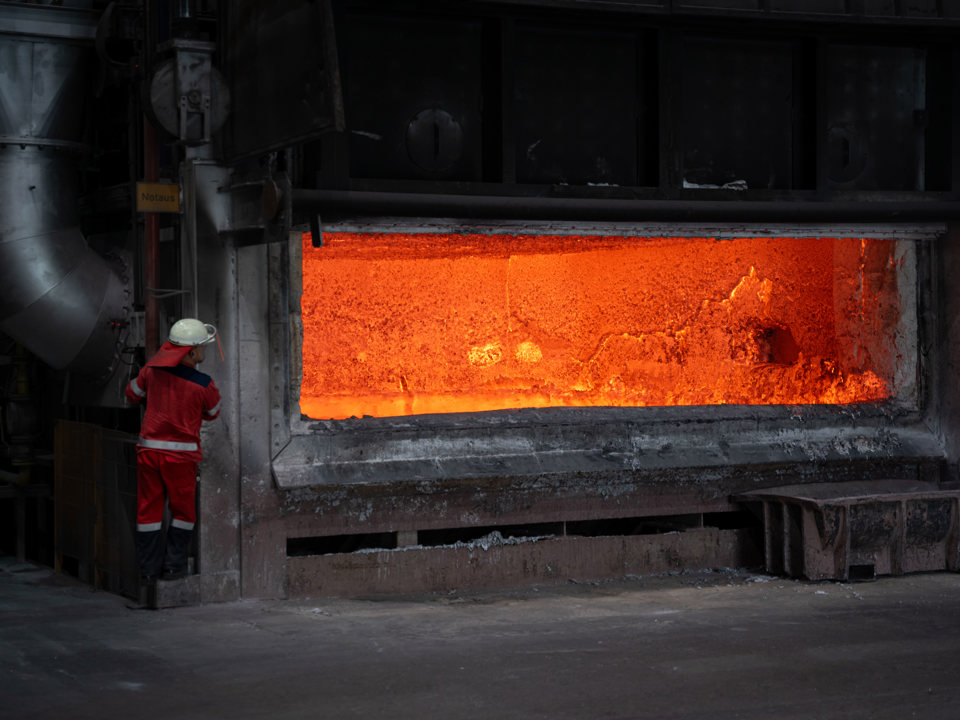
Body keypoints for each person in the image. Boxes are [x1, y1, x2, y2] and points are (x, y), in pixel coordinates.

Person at [125, 318, 221, 584]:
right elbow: (213, 412)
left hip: (148, 454)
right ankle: (172, 568)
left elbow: (132, 393)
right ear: (191, 352)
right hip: (181, 459)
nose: (204, 350)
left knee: (148, 512)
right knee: (183, 513)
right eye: (202, 346)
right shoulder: (203, 384)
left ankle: (148, 571)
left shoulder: (150, 371)